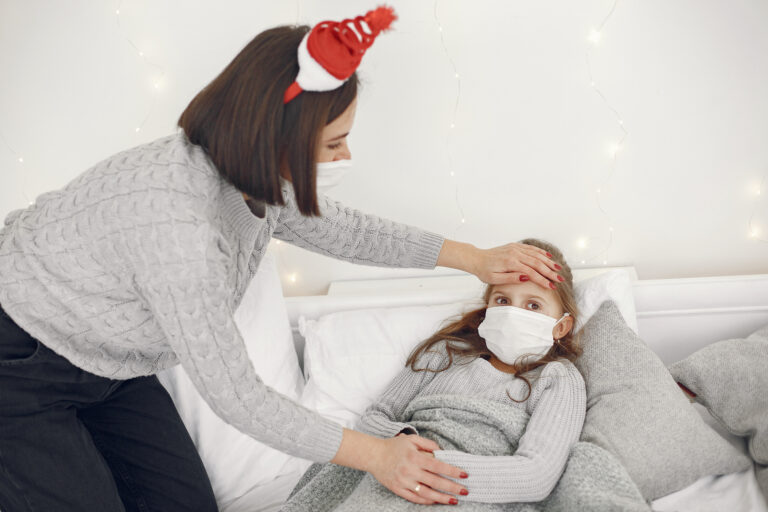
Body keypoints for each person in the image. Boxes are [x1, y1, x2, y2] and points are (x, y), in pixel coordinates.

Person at [0, 8, 563, 512]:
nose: (345, 156)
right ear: (276, 137)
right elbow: (239, 397)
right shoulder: (178, 230)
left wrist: (473, 259)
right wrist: (377, 456)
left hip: (114, 367)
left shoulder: (247, 174)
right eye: (334, 143)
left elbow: (342, 229)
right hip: (22, 364)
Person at [353, 238, 586, 505]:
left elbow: (536, 476)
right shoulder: (445, 352)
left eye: (533, 305)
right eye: (502, 300)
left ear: (560, 327)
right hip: (394, 478)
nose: (512, 313)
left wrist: (428, 468)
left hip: (472, 494)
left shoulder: (558, 379)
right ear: (487, 309)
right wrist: (397, 451)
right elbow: (374, 418)